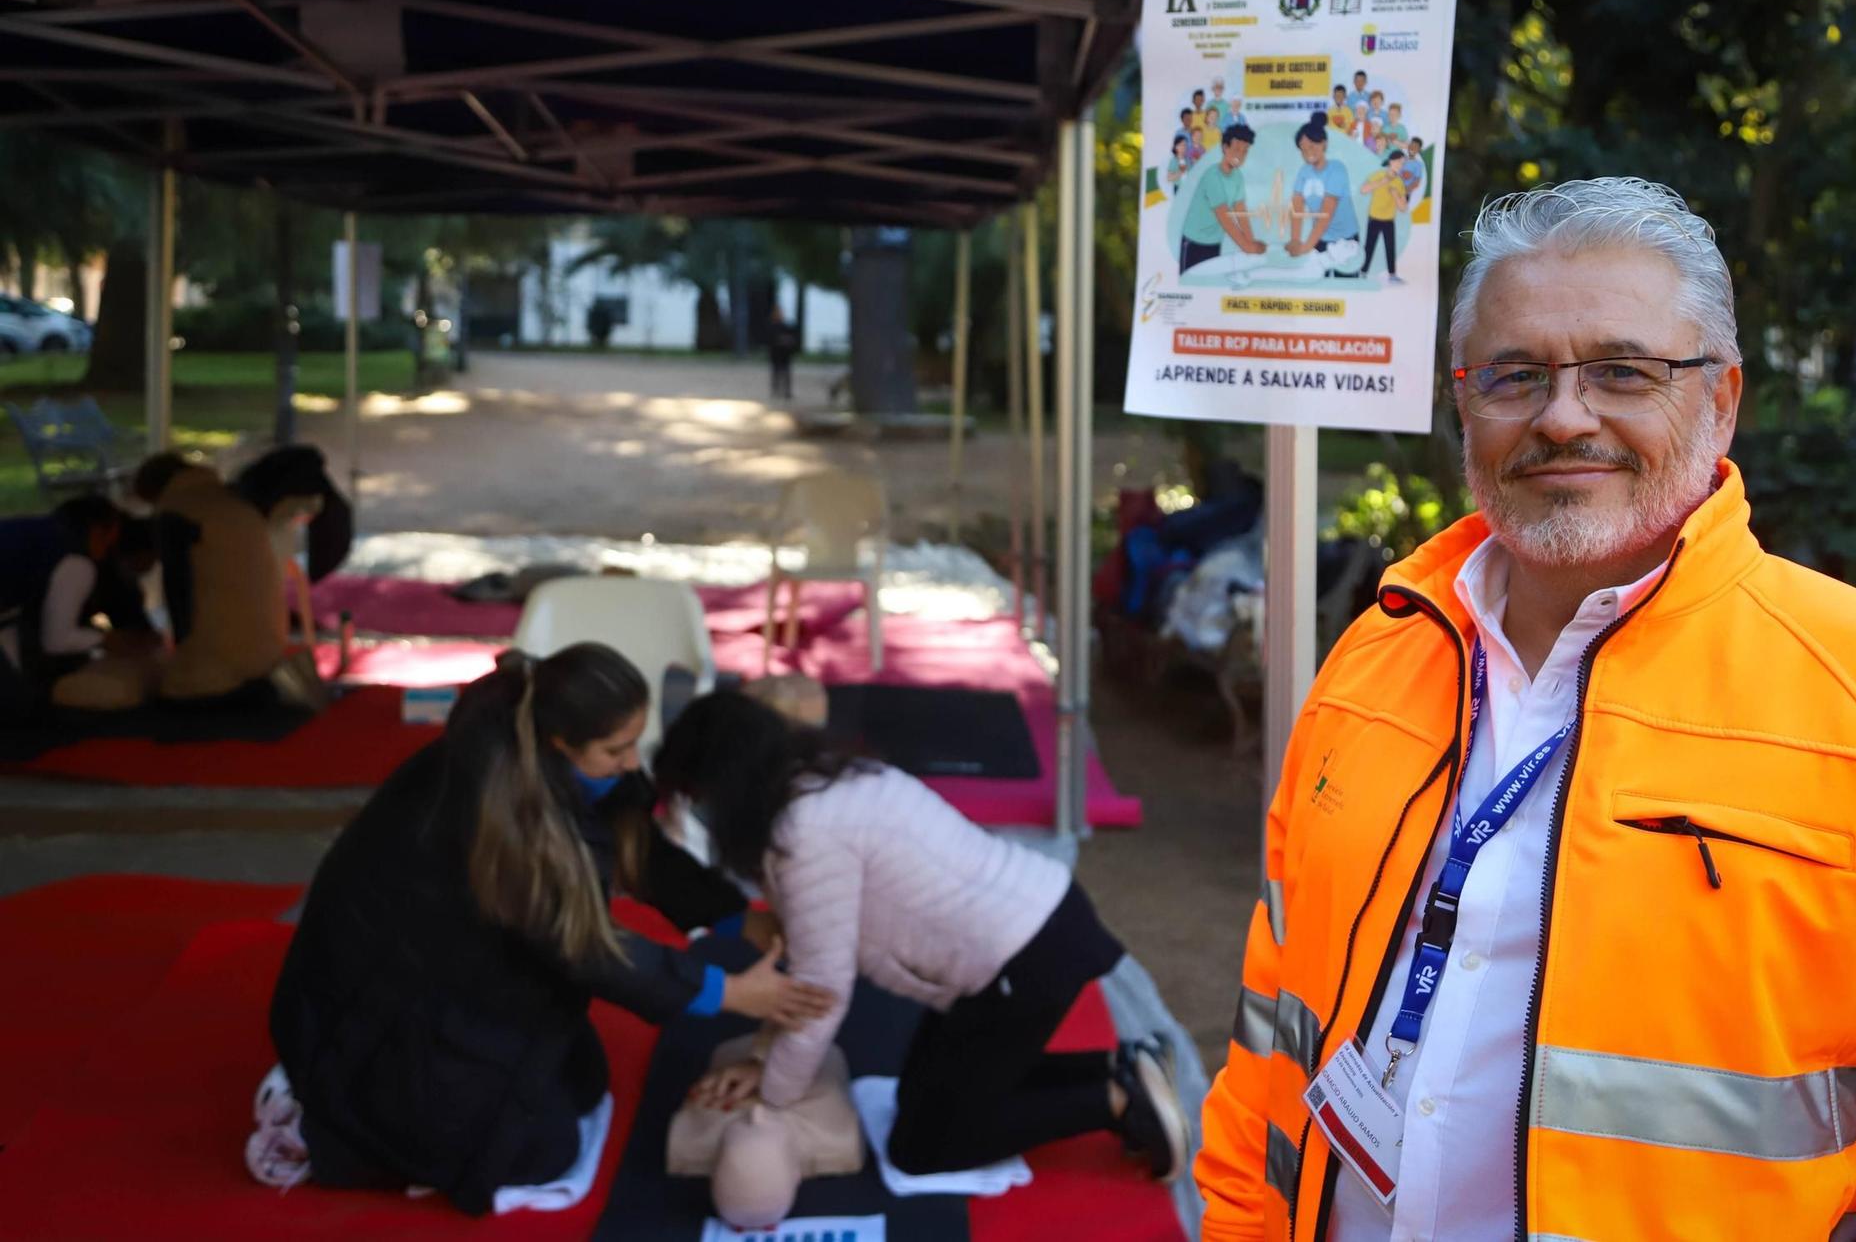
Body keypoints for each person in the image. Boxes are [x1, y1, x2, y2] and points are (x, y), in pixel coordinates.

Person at [1196, 177, 1856, 1241]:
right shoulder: (1372, 660)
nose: (1562, 415)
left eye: (1622, 371)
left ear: (1720, 398)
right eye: (1514, 374)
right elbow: (1272, 1039)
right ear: (1463, 400)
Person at [266, 645, 835, 1215]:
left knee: (582, 1082)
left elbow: (639, 846)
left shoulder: (548, 757)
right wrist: (729, 992)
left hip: (467, 971)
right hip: (391, 999)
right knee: (541, 1151)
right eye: (615, 749)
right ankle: (314, 1123)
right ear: (562, 743)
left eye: (636, 741)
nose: (633, 762)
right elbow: (585, 945)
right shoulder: (498, 810)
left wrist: (737, 916)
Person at [655, 692, 1192, 1182]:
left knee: (925, 1145)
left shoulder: (804, 831)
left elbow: (821, 987)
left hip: (1022, 961)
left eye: (697, 799)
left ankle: (1117, 1101)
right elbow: (807, 953)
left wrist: (773, 1093)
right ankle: (1120, 1064)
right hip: (1031, 930)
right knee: (921, 1096)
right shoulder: (824, 778)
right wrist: (764, 1056)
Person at [0, 495, 155, 710]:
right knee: (19, 708)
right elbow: (56, 640)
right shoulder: (75, 561)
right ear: (103, 530)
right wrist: (105, 639)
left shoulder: (37, 535)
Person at [1178, 123, 1263, 275]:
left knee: (1209, 286)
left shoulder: (1237, 177)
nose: (1240, 155)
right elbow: (1223, 215)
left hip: (1214, 242)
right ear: (1225, 147)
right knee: (1191, 284)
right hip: (1194, 242)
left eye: (1245, 151)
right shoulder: (1212, 176)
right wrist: (1246, 246)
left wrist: (1251, 242)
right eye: (1237, 149)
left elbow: (1240, 211)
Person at [1286, 111, 1360, 276]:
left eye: (1312, 146)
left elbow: (1326, 213)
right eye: (1303, 149)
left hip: (1345, 240)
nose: (1308, 153)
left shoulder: (1337, 169)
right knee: (1320, 283)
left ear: (1324, 144)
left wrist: (1305, 247)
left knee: (1346, 286)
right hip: (1320, 239)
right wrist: (1295, 240)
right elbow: (1296, 209)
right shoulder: (1303, 173)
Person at [1358, 151, 1409, 284]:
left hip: (1388, 220)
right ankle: (1363, 273)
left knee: (1390, 246)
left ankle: (1392, 275)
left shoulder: (1399, 182)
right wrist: (1383, 182)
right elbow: (1363, 189)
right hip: (1374, 217)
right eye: (1398, 162)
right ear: (1391, 161)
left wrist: (1395, 195)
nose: (1400, 165)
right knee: (1369, 246)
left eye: (1402, 163)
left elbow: (1403, 208)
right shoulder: (1378, 174)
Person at [766, 301, 800, 401]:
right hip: (776, 354)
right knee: (776, 372)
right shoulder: (772, 326)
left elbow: (792, 337)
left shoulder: (784, 325)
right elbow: (770, 340)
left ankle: (786, 391)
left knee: (786, 373)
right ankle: (776, 390)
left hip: (785, 353)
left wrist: (788, 341)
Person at [1397, 136, 1427, 204]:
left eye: (1415, 147)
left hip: (1404, 194)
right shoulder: (1401, 159)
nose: (1412, 148)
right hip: (1394, 188)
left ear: (1419, 150)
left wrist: (1405, 191)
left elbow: (1416, 183)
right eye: (1411, 145)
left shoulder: (1418, 164)